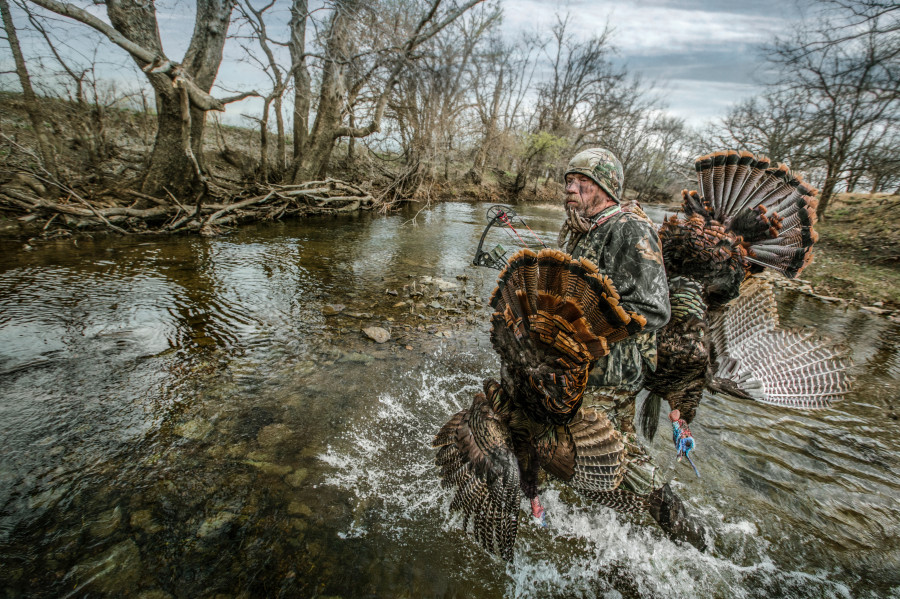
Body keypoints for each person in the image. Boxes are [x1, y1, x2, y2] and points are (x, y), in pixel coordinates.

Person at [558, 147, 670, 435]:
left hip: (614, 372)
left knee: (590, 448)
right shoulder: (586, 229)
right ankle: (652, 482)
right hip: (586, 366)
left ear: (606, 188)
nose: (570, 188)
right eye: (568, 180)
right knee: (611, 450)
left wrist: (586, 324)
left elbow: (654, 309)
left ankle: (652, 482)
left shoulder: (630, 227)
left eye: (581, 181)